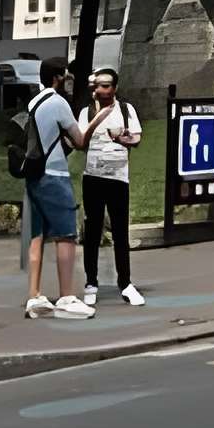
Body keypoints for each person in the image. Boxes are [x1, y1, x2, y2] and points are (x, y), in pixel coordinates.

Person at [21, 57, 90, 319]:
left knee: (37, 235)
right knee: (66, 234)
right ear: (57, 78)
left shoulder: (34, 103)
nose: (69, 81)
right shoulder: (59, 103)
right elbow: (80, 139)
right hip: (55, 174)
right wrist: (94, 122)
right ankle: (67, 296)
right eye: (66, 76)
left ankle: (34, 295)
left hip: (34, 174)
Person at [79, 70, 144, 310]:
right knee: (93, 231)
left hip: (118, 178)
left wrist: (123, 139)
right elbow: (80, 142)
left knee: (120, 231)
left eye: (106, 85)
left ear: (115, 88)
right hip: (93, 177)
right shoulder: (87, 112)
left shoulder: (126, 110)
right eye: (98, 85)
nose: (101, 90)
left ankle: (125, 282)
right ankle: (91, 283)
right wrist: (96, 122)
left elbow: (137, 139)